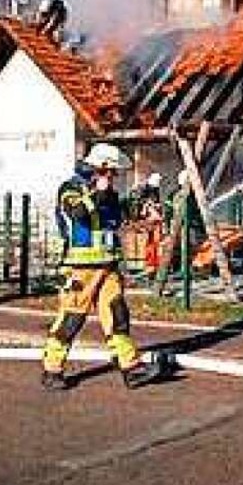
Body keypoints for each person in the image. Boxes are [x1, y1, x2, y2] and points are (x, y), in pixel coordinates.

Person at [42, 144, 168, 390]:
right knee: (71, 318)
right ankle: (52, 370)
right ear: (100, 168)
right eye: (111, 172)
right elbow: (77, 214)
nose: (114, 177)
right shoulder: (71, 187)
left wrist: (146, 216)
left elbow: (121, 217)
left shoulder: (108, 192)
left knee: (117, 315)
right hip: (80, 268)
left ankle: (131, 368)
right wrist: (96, 193)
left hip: (108, 265)